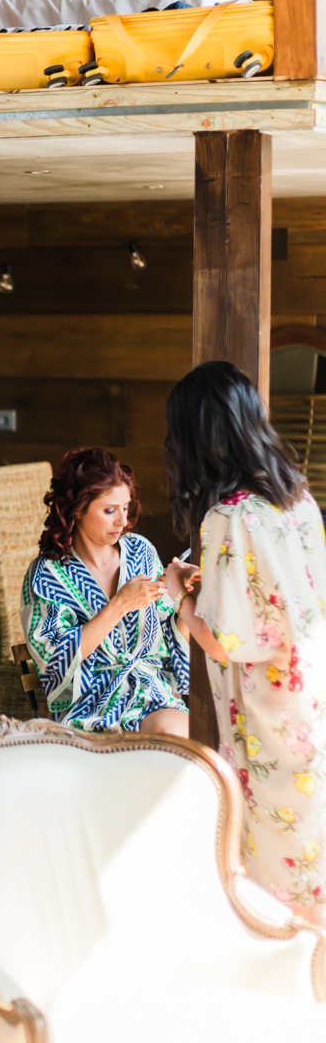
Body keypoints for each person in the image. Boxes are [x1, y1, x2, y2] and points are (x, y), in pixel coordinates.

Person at [165, 360, 326, 918]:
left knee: (276, 861)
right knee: (313, 843)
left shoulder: (227, 518)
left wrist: (176, 594)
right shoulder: (297, 499)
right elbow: (283, 594)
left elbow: (224, 641)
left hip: (270, 713)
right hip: (314, 691)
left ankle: (294, 970)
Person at [21, 447, 189, 735]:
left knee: (176, 738)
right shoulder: (47, 574)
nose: (123, 521)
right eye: (110, 510)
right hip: (87, 704)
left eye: (125, 508)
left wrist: (185, 595)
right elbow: (53, 660)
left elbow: (169, 631)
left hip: (150, 695)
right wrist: (118, 606)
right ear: (78, 508)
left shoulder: (140, 551)